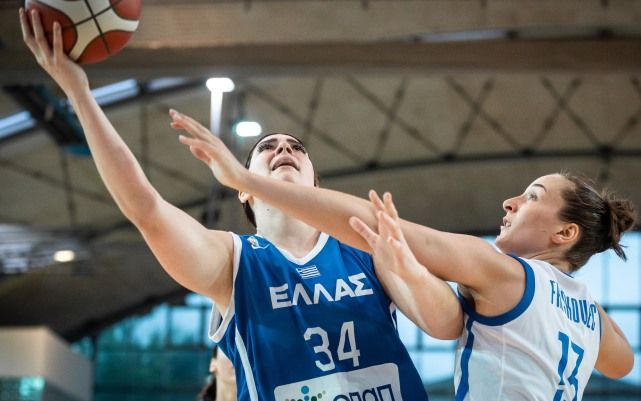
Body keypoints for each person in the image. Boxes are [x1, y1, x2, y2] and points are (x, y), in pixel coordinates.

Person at [20, 8, 463, 401]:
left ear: (315, 184)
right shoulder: (233, 263)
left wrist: (412, 272)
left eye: (296, 147)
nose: (284, 148)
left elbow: (446, 326)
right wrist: (79, 94)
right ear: (244, 189)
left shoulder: (363, 247)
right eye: (268, 147)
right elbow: (145, 209)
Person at [166, 92, 636, 399]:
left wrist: (244, 178)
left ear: (565, 234)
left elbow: (379, 225)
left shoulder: (501, 271)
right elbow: (622, 364)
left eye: (532, 196)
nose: (510, 202)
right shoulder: (587, 313)